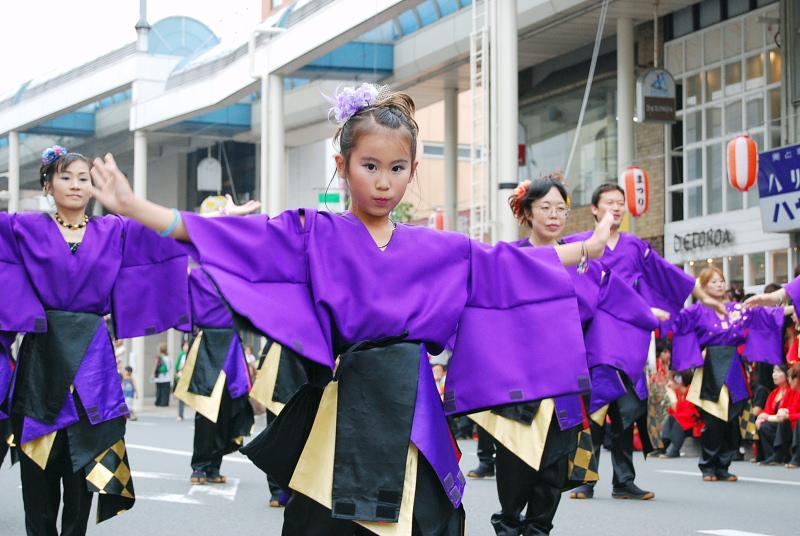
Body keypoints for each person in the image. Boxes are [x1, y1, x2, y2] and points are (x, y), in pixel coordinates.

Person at [90, 83, 614, 535]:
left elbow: (510, 266)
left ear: (412, 171)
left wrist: (590, 247)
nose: (383, 181)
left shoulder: (442, 249)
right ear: (342, 166)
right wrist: (137, 208)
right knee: (327, 522)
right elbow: (235, 240)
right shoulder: (315, 233)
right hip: (347, 402)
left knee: (425, 521)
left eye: (397, 167)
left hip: (413, 405)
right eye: (369, 166)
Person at [0, 146, 191, 534]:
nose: (75, 185)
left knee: (81, 488)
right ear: (48, 185)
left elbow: (166, 236)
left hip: (94, 366)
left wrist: (219, 220)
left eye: (83, 178)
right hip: (43, 361)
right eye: (65, 177)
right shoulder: (26, 228)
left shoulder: (114, 230)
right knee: (38, 494)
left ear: (93, 187)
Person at [474, 176, 658, 535]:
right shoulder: (512, 257)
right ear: (527, 212)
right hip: (521, 382)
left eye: (561, 208)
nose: (555, 215)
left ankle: (538, 530)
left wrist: (650, 316)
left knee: (552, 473)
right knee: (515, 472)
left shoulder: (587, 265)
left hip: (565, 383)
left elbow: (613, 307)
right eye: (545, 207)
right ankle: (509, 526)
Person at [564, 182, 721, 502]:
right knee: (593, 408)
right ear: (594, 209)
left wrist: (702, 295)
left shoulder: (635, 246)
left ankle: (623, 480)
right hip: (594, 340)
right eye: (609, 202)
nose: (617, 207)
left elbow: (667, 275)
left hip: (631, 339)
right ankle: (583, 479)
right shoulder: (580, 244)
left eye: (621, 203)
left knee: (628, 410)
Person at [669, 267, 791, 482]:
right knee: (713, 420)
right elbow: (676, 323)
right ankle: (708, 465)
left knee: (730, 418)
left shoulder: (736, 308)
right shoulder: (697, 311)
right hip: (711, 366)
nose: (719, 285)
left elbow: (764, 315)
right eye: (714, 282)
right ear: (704, 287)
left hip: (733, 365)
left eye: (721, 281)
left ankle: (723, 465)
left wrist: (791, 309)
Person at [173, 268, 255, 485]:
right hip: (208, 343)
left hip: (231, 347)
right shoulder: (198, 275)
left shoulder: (238, 273)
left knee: (227, 408)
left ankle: (213, 467)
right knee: (205, 410)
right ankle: (199, 466)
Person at [755, 365, 799, 465]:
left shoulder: (793, 391)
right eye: (774, 371)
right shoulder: (774, 393)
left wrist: (768, 417)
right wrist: (761, 417)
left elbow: (791, 411)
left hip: (789, 423)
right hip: (777, 421)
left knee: (780, 423)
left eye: (779, 371)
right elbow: (767, 411)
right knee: (764, 426)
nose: (774, 374)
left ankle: (780, 455)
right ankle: (771, 455)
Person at [653, 373, 700, 458]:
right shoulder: (678, 393)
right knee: (671, 419)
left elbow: (688, 412)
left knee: (679, 420)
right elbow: (673, 412)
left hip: (694, 421)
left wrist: (674, 400)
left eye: (673, 381)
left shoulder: (692, 390)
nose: (670, 383)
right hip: (685, 420)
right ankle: (662, 447)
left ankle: (675, 449)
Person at [153, 342, 173, 407]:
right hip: (166, 377)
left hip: (158, 377)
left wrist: (153, 374)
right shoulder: (169, 357)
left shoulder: (158, 357)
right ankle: (164, 403)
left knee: (159, 390)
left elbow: (155, 366)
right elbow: (170, 367)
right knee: (165, 391)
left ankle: (158, 402)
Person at [175, 341, 189, 421]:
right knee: (181, 397)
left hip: (188, 378)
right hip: (182, 377)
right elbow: (177, 366)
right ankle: (180, 414)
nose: (186, 347)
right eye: (185, 345)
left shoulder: (191, 354)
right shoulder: (181, 355)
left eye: (187, 345)